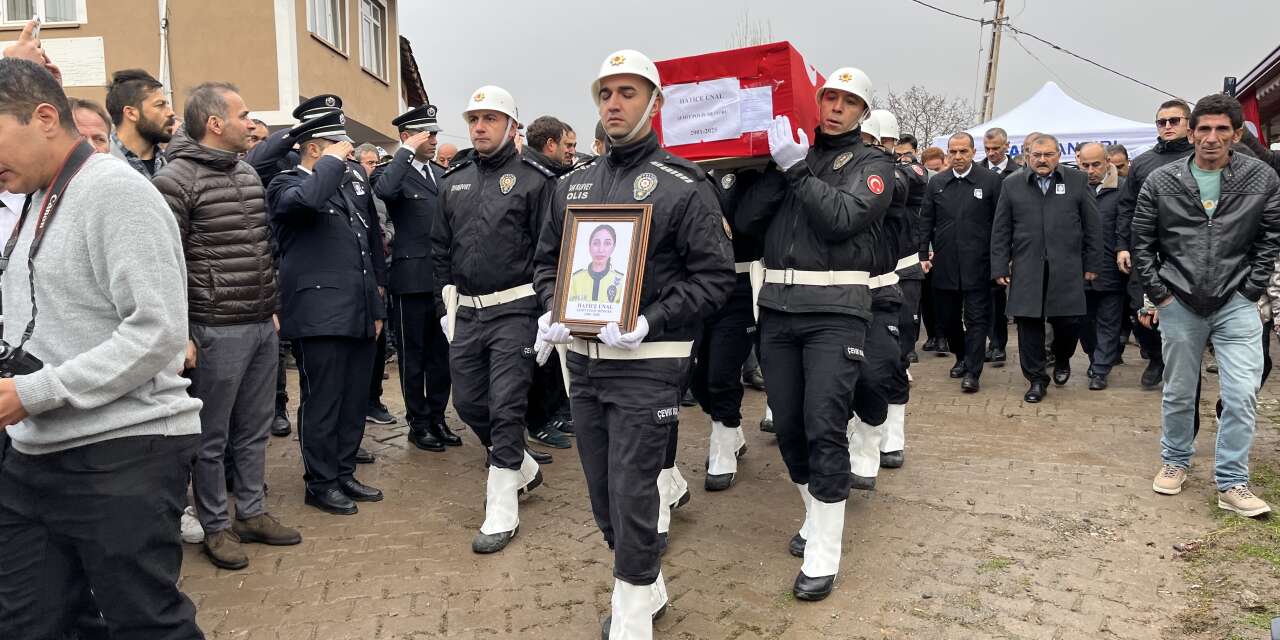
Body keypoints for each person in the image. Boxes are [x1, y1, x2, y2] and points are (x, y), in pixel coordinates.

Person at [0, 57, 204, 638]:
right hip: (33, 453)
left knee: (143, 623)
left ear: (44, 118)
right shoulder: (34, 197)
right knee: (28, 623)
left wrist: (35, 391)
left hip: (122, 453)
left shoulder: (115, 192)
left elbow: (158, 332)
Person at [533, 48, 733, 637]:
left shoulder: (684, 186)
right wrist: (553, 308)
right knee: (602, 495)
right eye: (605, 93)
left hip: (648, 362)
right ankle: (646, 586)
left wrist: (651, 319)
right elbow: (546, 263)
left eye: (628, 92)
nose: (614, 104)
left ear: (655, 102)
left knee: (632, 488)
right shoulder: (572, 186)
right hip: (584, 363)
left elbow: (715, 277)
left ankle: (631, 613)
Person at [737, 65, 891, 602]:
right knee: (789, 429)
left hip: (835, 312)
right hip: (778, 309)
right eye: (830, 98)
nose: (836, 108)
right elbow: (745, 223)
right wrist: (775, 170)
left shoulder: (873, 163)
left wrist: (797, 171)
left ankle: (825, 548)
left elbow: (843, 218)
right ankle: (814, 512)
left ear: (862, 112)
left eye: (849, 101)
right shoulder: (791, 155)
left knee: (824, 424)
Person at [151, 82, 302, 569]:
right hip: (214, 328)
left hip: (259, 322)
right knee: (210, 438)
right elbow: (166, 263)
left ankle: (251, 514)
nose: (250, 123)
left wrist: (271, 306)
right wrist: (183, 332)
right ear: (215, 123)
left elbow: (263, 247)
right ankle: (215, 525)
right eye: (243, 115)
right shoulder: (174, 180)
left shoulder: (247, 172)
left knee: (254, 430)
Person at [1135, 94, 1280, 517]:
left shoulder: (1261, 178)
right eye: (1204, 129)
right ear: (1191, 132)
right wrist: (1160, 294)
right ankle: (1175, 460)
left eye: (1221, 129)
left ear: (1236, 134)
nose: (1211, 138)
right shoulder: (1161, 180)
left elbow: (1270, 237)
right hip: (1179, 299)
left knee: (1242, 393)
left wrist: (1250, 291)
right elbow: (1141, 240)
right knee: (1179, 391)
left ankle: (1232, 481)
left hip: (1236, 301)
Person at [433, 85, 550, 554]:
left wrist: (548, 311)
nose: (479, 127)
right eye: (473, 119)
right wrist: (444, 307)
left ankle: (502, 507)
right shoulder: (454, 179)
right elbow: (439, 249)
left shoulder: (535, 180)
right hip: (467, 312)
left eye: (490, 119)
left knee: (506, 406)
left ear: (511, 126)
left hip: (516, 309)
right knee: (467, 403)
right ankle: (522, 466)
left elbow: (550, 251)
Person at [266, 107, 388, 516]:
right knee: (323, 401)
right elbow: (307, 201)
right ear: (315, 150)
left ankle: (343, 472)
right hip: (318, 314)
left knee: (353, 400)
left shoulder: (343, 185)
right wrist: (332, 164)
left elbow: (365, 248)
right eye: (340, 146)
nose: (349, 152)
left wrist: (375, 307)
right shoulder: (286, 183)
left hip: (357, 309)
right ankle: (320, 483)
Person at [371, 104, 460, 453]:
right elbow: (384, 192)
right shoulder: (393, 171)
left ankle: (437, 417)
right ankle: (418, 422)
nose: (435, 139)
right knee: (414, 357)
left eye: (436, 133)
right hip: (410, 280)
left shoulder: (439, 174)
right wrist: (404, 152)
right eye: (428, 134)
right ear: (408, 137)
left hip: (441, 279)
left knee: (441, 356)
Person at [991, 134, 1104, 403]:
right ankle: (1036, 379)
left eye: (1048, 155)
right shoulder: (1012, 184)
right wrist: (999, 265)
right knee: (1028, 323)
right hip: (1026, 267)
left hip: (1067, 267)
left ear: (1059, 156)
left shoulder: (1077, 181)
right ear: (1028, 156)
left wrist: (1092, 263)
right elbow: (1001, 229)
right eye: (1037, 155)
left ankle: (1062, 357)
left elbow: (1093, 226)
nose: (1042, 160)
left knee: (1069, 322)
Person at [846, 110, 910, 489]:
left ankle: (878, 436)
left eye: (871, 141)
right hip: (840, 290)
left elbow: (893, 190)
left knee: (881, 369)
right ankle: (856, 436)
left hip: (881, 288)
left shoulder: (897, 176)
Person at [1116, 100, 1195, 390]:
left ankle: (1180, 367)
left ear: (1188, 123)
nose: (1168, 126)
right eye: (1162, 122)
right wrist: (1123, 246)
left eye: (1174, 121)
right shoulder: (1143, 162)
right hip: (1146, 249)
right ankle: (1156, 357)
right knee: (1139, 310)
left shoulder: (1200, 158)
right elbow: (1126, 207)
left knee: (1183, 311)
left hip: (1188, 251)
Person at [692, 165, 762, 492]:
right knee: (697, 377)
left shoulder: (754, 172)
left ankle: (723, 442)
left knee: (722, 373)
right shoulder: (693, 174)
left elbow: (748, 221)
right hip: (698, 285)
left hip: (740, 284)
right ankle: (730, 429)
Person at [918, 132, 1003, 393]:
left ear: (973, 152)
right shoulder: (937, 183)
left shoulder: (991, 181)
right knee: (948, 320)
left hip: (979, 264)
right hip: (945, 264)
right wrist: (922, 254)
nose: (958, 156)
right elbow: (926, 221)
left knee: (977, 319)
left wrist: (1001, 259)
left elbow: (1001, 224)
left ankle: (972, 372)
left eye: (963, 151)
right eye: (953, 151)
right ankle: (961, 356)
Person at [520, 115, 580, 450]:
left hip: (549, 280)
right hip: (533, 282)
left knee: (553, 356)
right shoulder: (537, 178)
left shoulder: (553, 176)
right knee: (537, 359)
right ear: (550, 144)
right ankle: (537, 422)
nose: (572, 151)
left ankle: (554, 413)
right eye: (568, 145)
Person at [1075, 142, 1126, 390]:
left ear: (1107, 162)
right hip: (1080, 268)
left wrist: (1123, 250)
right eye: (1085, 165)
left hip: (1111, 267)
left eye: (1096, 164)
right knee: (1084, 322)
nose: (1091, 170)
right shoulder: (1074, 188)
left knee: (1109, 320)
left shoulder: (1123, 188)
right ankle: (1095, 357)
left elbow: (1127, 224)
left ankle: (1100, 369)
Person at [105, 68, 175, 178]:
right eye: (160, 105)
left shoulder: (172, 165)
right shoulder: (103, 166)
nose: (171, 113)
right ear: (131, 113)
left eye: (167, 104)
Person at [568, 224, 627, 302]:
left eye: (607, 243)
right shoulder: (574, 279)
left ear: (613, 247)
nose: (601, 249)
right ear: (589, 246)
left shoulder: (622, 281)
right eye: (596, 243)